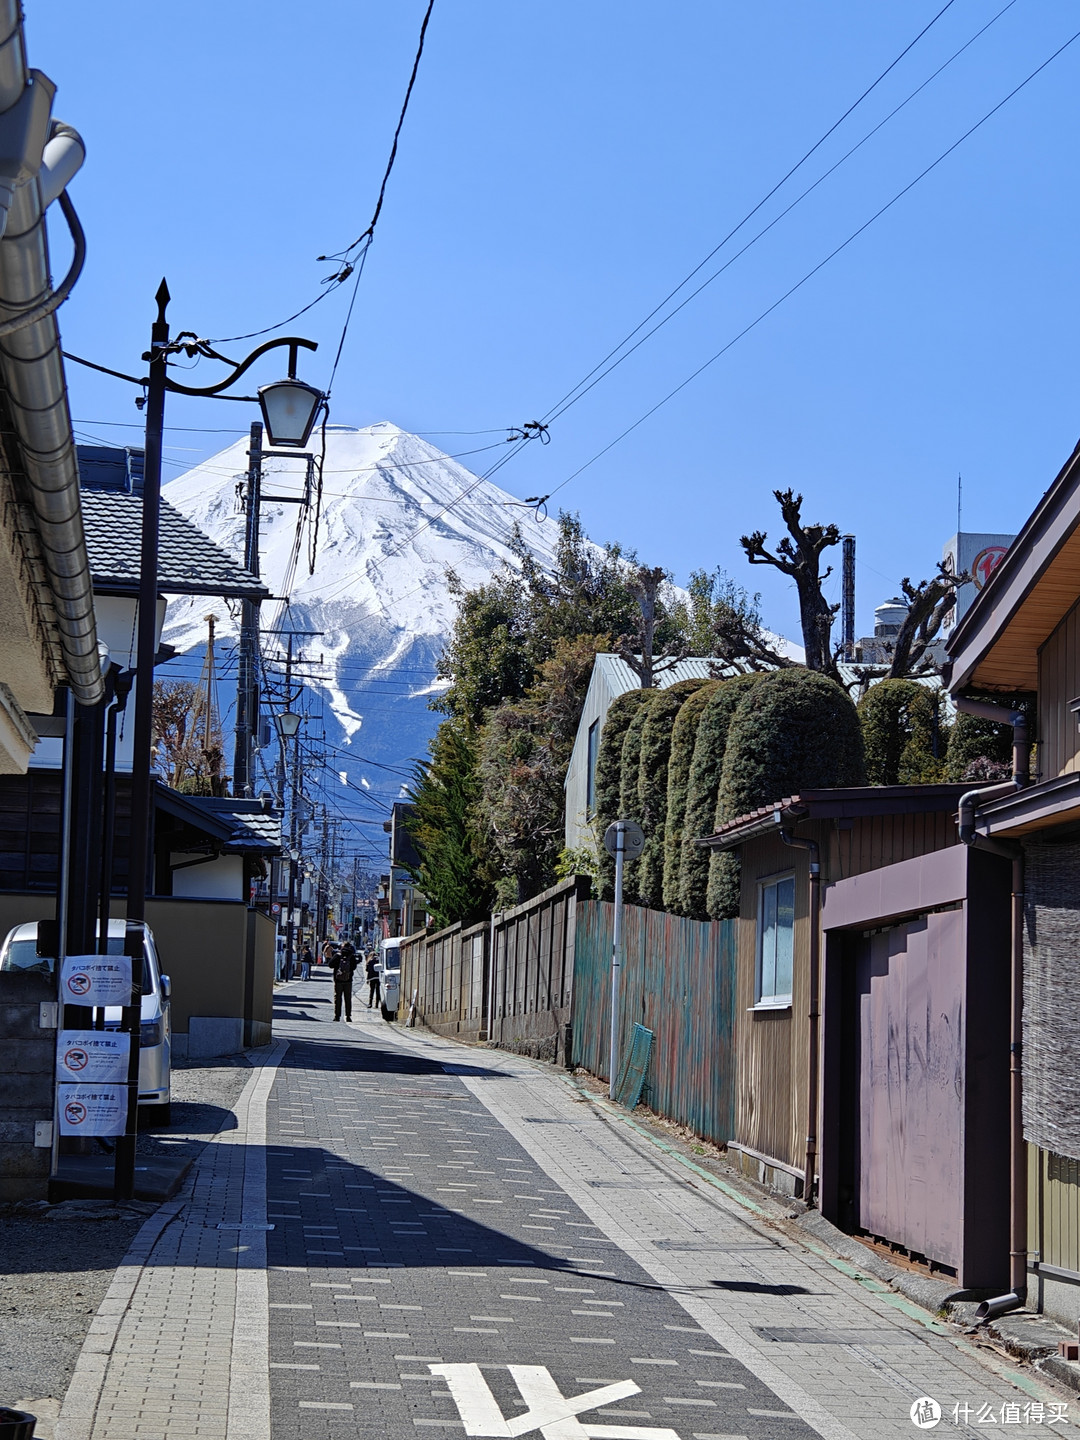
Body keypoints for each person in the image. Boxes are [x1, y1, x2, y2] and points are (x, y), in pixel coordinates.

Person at [332, 941, 357, 1022]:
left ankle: (337, 1016)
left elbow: (330, 965)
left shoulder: (338, 955)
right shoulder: (352, 956)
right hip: (348, 980)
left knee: (338, 998)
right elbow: (354, 967)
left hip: (338, 980)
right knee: (348, 998)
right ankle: (348, 1016)